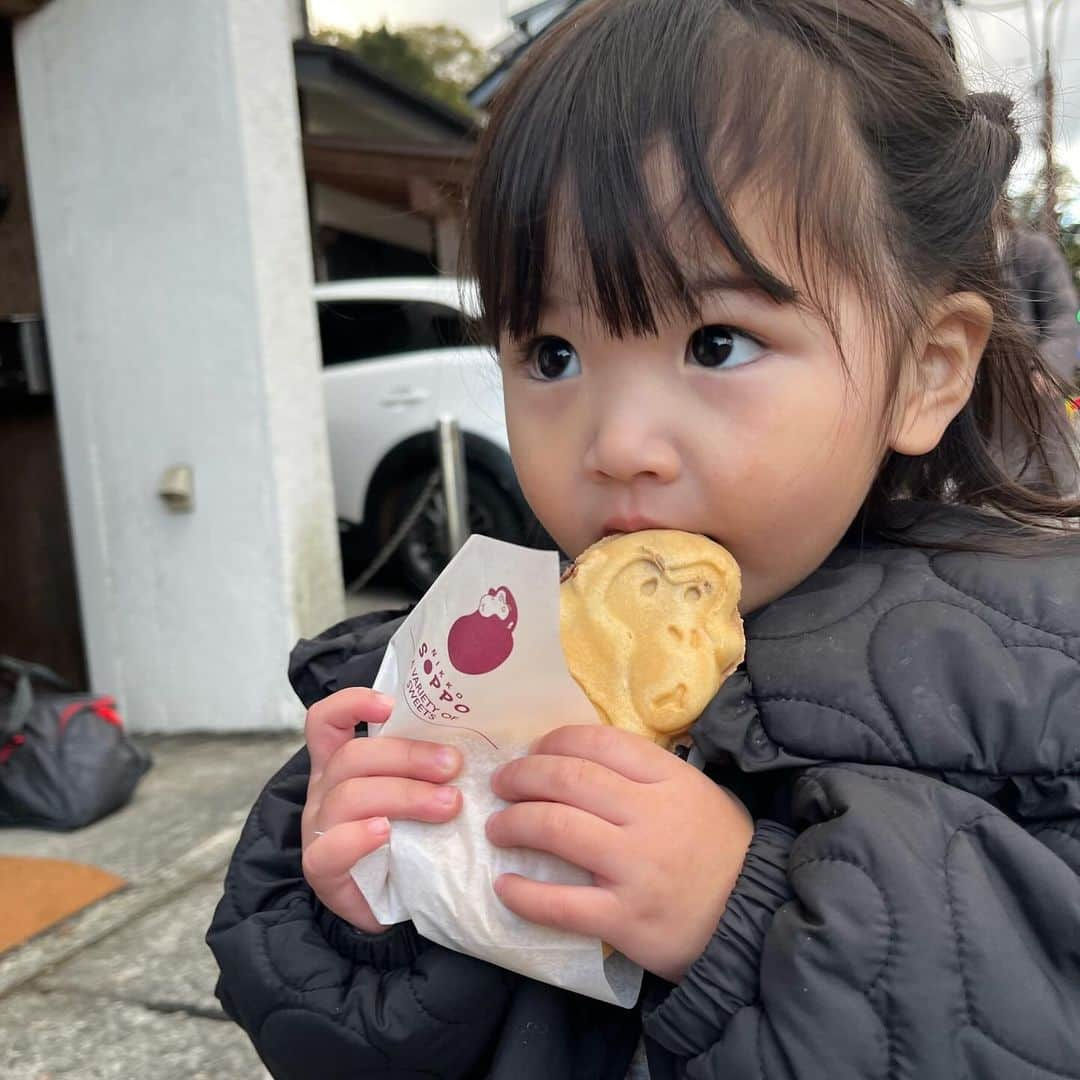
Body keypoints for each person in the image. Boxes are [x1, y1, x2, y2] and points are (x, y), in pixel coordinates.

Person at [207, 1, 1080, 1077]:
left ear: (930, 367)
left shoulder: (1032, 690)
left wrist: (746, 915)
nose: (616, 444)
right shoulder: (483, 667)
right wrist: (377, 908)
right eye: (552, 354)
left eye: (716, 341)